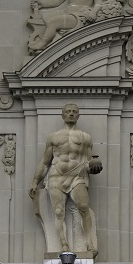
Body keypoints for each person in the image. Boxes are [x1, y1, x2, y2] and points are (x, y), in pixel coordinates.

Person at [30, 103, 102, 253]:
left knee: (83, 207)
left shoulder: (85, 138)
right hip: (56, 177)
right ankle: (64, 245)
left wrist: (95, 166)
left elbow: (88, 162)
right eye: (68, 112)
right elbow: (45, 162)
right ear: (62, 115)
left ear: (78, 115)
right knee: (58, 212)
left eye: (74, 112)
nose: (71, 114)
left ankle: (89, 243)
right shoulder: (54, 137)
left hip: (76, 176)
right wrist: (35, 181)